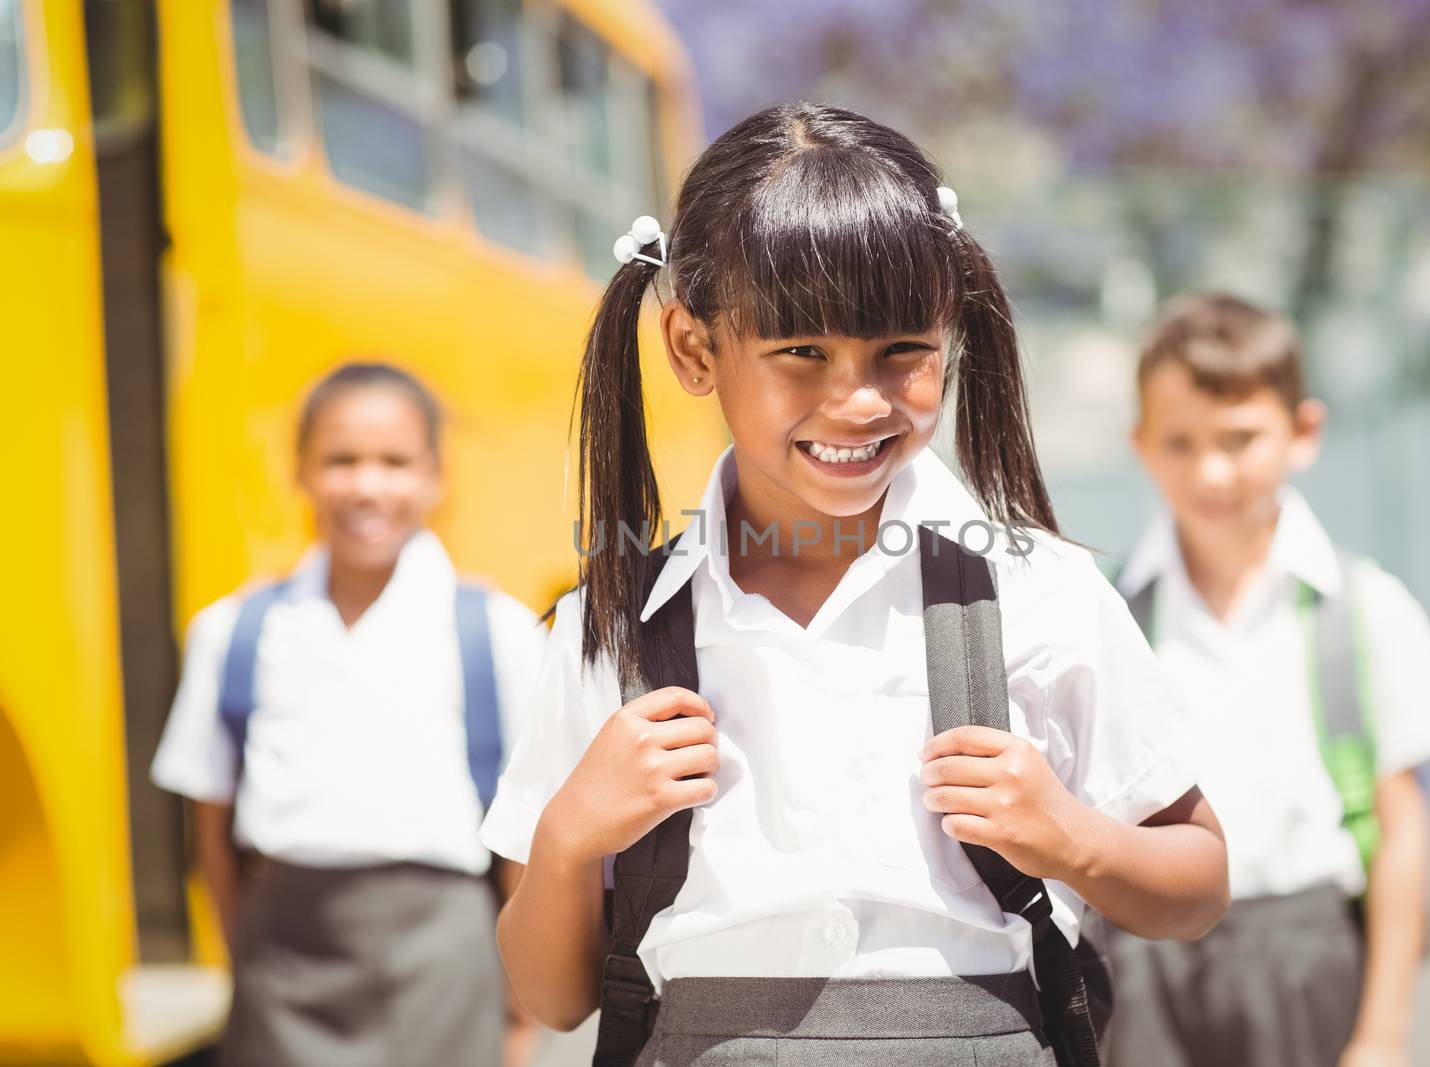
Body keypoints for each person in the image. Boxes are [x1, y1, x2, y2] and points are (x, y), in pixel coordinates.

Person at [484, 103, 1229, 1067]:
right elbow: (550, 996)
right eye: (803, 353)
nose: (860, 401)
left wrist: (1071, 838)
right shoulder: (611, 629)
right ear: (693, 349)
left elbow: (1198, 879)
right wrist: (570, 837)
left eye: (902, 352)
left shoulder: (1043, 591)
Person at [1103, 293, 1430, 1067]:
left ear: (1303, 433)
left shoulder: (1365, 608)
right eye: (1180, 442)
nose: (1211, 469)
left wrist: (1383, 1035)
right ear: (1141, 446)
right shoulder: (1106, 615)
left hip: (1310, 964)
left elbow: (1403, 833)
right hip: (1144, 969)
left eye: (1240, 438)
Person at [150, 362, 547, 1067]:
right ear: (299, 471)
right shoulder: (233, 631)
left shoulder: (497, 630)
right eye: (341, 460)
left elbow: (524, 837)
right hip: (283, 966)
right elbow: (211, 828)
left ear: (435, 477)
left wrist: (518, 1008)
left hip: (444, 964)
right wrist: (245, 956)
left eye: (395, 462)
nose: (368, 485)